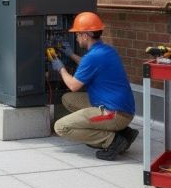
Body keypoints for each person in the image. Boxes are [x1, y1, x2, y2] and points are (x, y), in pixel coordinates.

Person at [51, 12, 139, 160]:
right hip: (120, 109)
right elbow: (90, 66)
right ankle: (123, 132)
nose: (76, 38)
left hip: (113, 114)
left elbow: (73, 85)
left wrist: (60, 68)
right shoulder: (106, 50)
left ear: (85, 36)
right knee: (68, 99)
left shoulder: (92, 57)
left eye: (77, 35)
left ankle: (112, 140)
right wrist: (71, 54)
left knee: (61, 127)